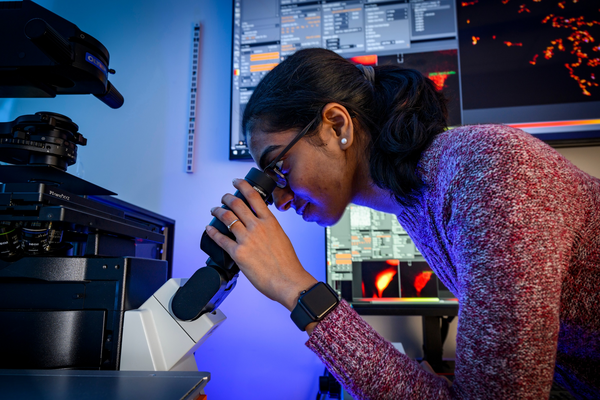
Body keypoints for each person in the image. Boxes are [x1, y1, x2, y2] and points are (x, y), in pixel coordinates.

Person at [205, 48, 600, 399]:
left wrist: (294, 286)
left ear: (337, 125)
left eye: (278, 167)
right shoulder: (416, 200)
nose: (279, 199)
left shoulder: (487, 173)